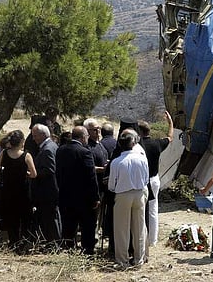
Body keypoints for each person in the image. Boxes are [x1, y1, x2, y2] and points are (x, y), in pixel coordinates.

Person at [55, 126, 100, 255]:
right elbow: (91, 177)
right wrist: (95, 197)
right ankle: (87, 252)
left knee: (69, 225)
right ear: (82, 137)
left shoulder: (60, 150)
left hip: (65, 195)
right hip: (83, 197)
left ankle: (69, 249)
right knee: (87, 226)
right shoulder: (85, 152)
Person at [108, 128, 149, 268]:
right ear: (133, 143)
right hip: (139, 193)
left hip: (123, 195)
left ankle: (122, 261)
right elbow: (146, 179)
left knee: (121, 229)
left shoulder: (117, 162)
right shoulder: (142, 158)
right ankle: (139, 259)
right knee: (139, 227)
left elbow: (111, 185)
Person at [0, 130, 37, 250]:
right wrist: (24, 173)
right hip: (22, 191)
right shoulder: (26, 155)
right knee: (25, 217)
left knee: (11, 217)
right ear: (22, 142)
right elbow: (33, 174)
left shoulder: (4, 153)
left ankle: (13, 242)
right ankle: (23, 243)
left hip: (7, 190)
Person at [138, 110, 174, 246]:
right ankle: (153, 240)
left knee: (139, 210)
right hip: (154, 180)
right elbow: (170, 137)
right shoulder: (156, 144)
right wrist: (170, 122)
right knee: (153, 209)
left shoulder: (136, 146)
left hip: (141, 181)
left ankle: (141, 237)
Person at [30, 123, 62, 245]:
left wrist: (33, 173)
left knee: (51, 218)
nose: (33, 138)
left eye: (35, 136)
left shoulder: (48, 149)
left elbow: (50, 170)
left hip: (48, 190)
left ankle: (54, 244)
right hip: (49, 190)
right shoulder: (51, 146)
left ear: (43, 135)